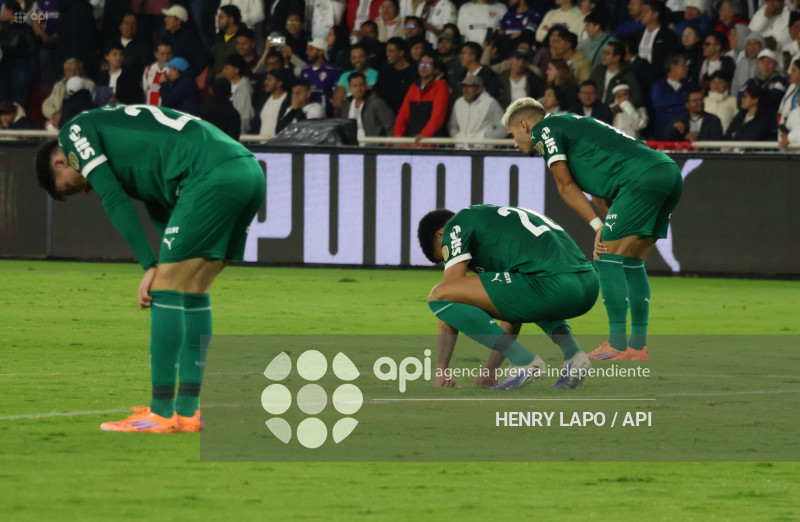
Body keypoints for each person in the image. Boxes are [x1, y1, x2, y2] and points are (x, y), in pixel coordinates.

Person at [35, 104, 265, 433]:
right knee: (194, 289)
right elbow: (159, 200)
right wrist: (163, 260)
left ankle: (159, 413)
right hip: (247, 172)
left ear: (61, 161)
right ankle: (188, 412)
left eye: (72, 187)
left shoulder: (73, 133)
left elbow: (113, 197)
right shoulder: (121, 143)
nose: (86, 190)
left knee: (165, 289)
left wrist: (149, 265)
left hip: (209, 174)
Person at [503, 97, 683, 361]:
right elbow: (600, 188)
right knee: (632, 261)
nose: (515, 144)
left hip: (640, 179)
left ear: (524, 125)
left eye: (512, 135)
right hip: (666, 172)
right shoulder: (573, 126)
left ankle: (616, 345)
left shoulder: (545, 130)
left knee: (606, 257)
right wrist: (609, 222)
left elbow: (565, 186)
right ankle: (637, 347)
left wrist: (599, 226)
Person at [418, 205, 599, 390]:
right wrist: (490, 370)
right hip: (589, 285)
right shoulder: (496, 225)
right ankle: (573, 355)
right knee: (530, 288)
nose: (449, 260)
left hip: (554, 285)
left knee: (439, 295)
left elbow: (450, 293)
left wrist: (441, 369)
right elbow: (511, 308)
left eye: (444, 255)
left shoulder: (455, 226)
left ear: (441, 234)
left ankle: (525, 362)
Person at [394, 52, 450, 139]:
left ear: (435, 70)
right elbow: (402, 116)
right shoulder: (413, 87)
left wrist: (424, 135)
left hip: (431, 141)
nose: (423, 67)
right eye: (421, 63)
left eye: (428, 64)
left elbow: (438, 116)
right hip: (413, 140)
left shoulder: (441, 87)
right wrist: (397, 137)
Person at [448, 75, 507, 140]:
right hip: (461, 147)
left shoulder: (490, 103)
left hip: (481, 148)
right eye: (464, 86)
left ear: (479, 89)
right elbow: (452, 126)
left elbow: (504, 128)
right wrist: (457, 137)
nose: (465, 90)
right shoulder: (458, 103)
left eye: (469, 86)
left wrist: (484, 139)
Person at [42, 58, 96, 129]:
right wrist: (54, 114)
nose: (73, 74)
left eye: (76, 70)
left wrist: (64, 117)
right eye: (69, 71)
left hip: (79, 122)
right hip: (59, 121)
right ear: (65, 72)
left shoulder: (88, 84)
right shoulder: (59, 86)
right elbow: (46, 104)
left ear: (81, 71)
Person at [633, 0, 679, 81]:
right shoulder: (637, 35)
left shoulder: (668, 36)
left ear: (655, 14)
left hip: (657, 80)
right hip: (637, 79)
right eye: (641, 11)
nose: (641, 14)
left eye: (645, 11)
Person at [340, 72, 396, 137]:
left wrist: (386, 145)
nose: (358, 89)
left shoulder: (376, 103)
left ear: (366, 85)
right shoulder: (345, 105)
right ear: (349, 88)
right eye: (355, 86)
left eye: (361, 85)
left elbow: (391, 126)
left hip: (373, 145)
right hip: (352, 145)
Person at [161, 4, 209, 79]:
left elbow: (201, 60)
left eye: (169, 17)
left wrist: (187, 75)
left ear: (178, 21)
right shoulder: (167, 36)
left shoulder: (189, 38)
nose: (165, 19)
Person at [589, 40, 642, 106]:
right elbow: (589, 88)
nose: (603, 56)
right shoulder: (599, 70)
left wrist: (617, 108)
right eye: (604, 52)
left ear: (617, 57)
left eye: (607, 53)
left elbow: (636, 99)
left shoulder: (628, 74)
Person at [373, 37, 418, 113]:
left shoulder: (414, 72)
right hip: (385, 112)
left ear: (401, 53)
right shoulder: (385, 71)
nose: (387, 54)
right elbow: (377, 91)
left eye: (391, 51)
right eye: (387, 51)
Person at [332, 44, 379, 115]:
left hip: (368, 113)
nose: (357, 60)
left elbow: (366, 97)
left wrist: (347, 96)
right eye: (354, 58)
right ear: (350, 59)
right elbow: (337, 101)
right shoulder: (345, 75)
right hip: (347, 113)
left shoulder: (375, 74)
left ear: (367, 57)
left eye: (361, 57)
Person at [300, 37, 342, 115]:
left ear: (321, 52)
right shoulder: (304, 71)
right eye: (307, 49)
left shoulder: (333, 71)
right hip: (308, 115)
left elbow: (337, 96)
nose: (307, 52)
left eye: (311, 49)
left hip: (327, 116)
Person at [651, 54, 690, 139]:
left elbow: (691, 107)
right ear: (673, 66)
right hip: (662, 135)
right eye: (684, 65)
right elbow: (658, 103)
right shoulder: (659, 85)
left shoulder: (688, 87)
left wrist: (671, 108)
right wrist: (683, 105)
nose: (687, 68)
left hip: (683, 135)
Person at [206, 4, 242, 89]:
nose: (218, 20)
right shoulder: (218, 38)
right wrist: (208, 83)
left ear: (231, 20)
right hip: (217, 85)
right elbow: (214, 63)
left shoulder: (242, 37)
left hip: (236, 86)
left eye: (221, 17)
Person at [221, 54, 255, 134]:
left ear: (236, 70)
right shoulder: (228, 84)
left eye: (227, 68)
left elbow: (244, 114)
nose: (224, 71)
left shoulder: (244, 87)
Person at [255, 67, 293, 136]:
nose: (266, 82)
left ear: (279, 83)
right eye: (266, 79)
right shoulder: (263, 100)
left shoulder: (289, 101)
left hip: (278, 144)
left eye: (270, 79)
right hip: (261, 144)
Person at [143, 42, 173, 106]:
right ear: (156, 54)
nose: (165, 57)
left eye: (168, 54)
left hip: (165, 110)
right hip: (150, 109)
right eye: (162, 54)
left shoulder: (173, 71)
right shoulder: (148, 69)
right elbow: (145, 91)